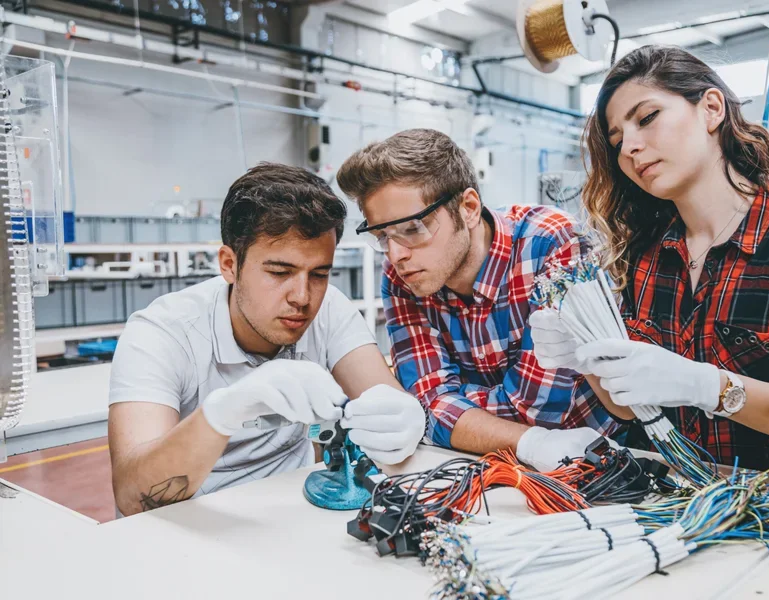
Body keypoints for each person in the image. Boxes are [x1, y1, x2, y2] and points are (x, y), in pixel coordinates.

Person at [531, 46, 769, 478]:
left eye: (647, 118)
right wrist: (585, 357)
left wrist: (709, 387)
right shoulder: (644, 252)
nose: (630, 146)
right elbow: (628, 410)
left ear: (710, 108)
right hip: (669, 498)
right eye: (616, 141)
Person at [108, 164, 425, 516]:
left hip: (290, 515)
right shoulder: (162, 333)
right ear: (229, 264)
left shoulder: (329, 310)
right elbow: (131, 496)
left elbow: (384, 399)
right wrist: (222, 414)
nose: (302, 297)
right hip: (190, 525)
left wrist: (403, 421)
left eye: (319, 274)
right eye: (279, 272)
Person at [336, 129, 617, 473]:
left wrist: (448, 409)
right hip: (478, 464)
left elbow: (536, 410)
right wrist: (435, 408)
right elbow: (427, 404)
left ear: (468, 208)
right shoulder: (400, 276)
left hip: (591, 465)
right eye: (382, 236)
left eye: (412, 229)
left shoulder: (551, 243)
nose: (396, 254)